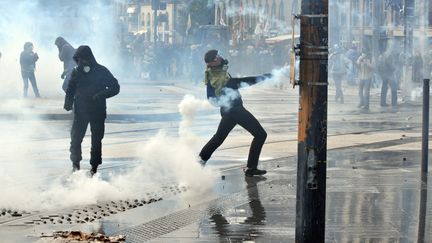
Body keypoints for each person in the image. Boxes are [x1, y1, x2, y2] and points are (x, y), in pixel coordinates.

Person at [198, 49, 271, 177]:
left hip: (229, 111)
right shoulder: (218, 77)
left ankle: (199, 161)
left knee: (218, 138)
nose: (220, 57)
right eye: (217, 57)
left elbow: (212, 97)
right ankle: (251, 168)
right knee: (260, 135)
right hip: (235, 111)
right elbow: (243, 82)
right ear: (213, 62)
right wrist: (265, 77)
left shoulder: (217, 73)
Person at [64, 46, 120, 174]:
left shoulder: (101, 71)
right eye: (78, 60)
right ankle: (75, 164)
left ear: (88, 58)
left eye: (82, 59)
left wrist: (100, 95)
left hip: (97, 111)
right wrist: (68, 102)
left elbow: (115, 87)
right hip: (80, 112)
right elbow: (70, 88)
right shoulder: (76, 72)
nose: (81, 62)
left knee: (96, 140)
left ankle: (94, 166)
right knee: (76, 139)